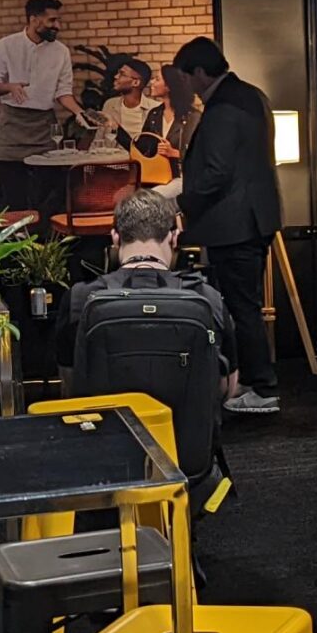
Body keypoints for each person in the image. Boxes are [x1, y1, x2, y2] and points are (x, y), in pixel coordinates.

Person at [170, 35, 282, 416]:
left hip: (235, 225)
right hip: (254, 218)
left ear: (200, 72)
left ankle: (263, 389)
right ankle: (254, 381)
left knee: (242, 307)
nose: (184, 85)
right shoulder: (252, 95)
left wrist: (174, 198)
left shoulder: (222, 109)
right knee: (245, 304)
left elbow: (215, 173)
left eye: (185, 77)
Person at [56, 187, 234, 396]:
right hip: (184, 429)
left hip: (109, 428)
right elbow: (226, 387)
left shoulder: (79, 299)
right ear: (174, 237)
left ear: (115, 238)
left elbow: (71, 384)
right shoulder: (208, 298)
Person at [0, 0, 81, 213]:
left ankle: (45, 241)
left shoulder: (61, 52)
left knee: (48, 193)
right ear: (34, 20)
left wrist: (79, 113)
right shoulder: (4, 46)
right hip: (12, 125)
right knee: (13, 195)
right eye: (52, 20)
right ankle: (17, 242)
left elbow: (63, 93)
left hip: (45, 127)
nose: (58, 26)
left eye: (58, 20)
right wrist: (10, 87)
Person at [100, 57, 157, 144]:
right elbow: (99, 140)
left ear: (136, 82)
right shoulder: (110, 105)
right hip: (113, 157)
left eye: (122, 74)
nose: (116, 77)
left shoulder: (155, 109)